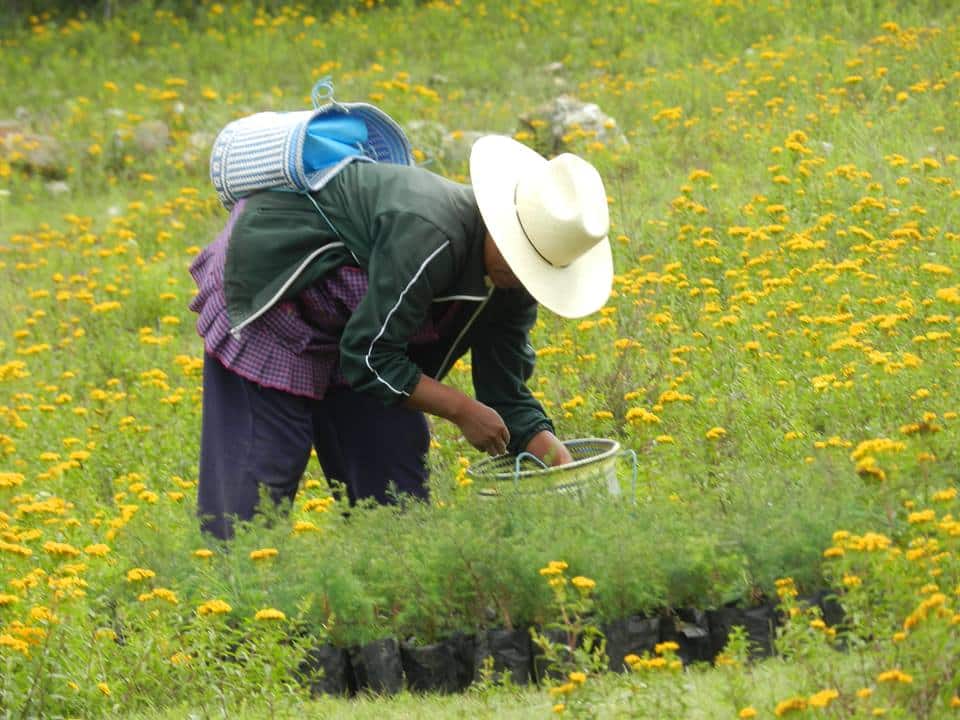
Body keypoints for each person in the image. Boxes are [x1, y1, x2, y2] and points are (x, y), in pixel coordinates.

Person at [189, 134, 613, 539]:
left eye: (535, 268)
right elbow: (368, 359)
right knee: (258, 478)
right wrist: (462, 410)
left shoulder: (512, 287)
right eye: (522, 255)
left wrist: (561, 466)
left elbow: (505, 393)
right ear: (501, 223)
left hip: (362, 325)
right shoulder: (430, 232)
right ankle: (233, 596)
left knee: (394, 484)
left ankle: (389, 596)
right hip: (276, 291)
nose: (523, 275)